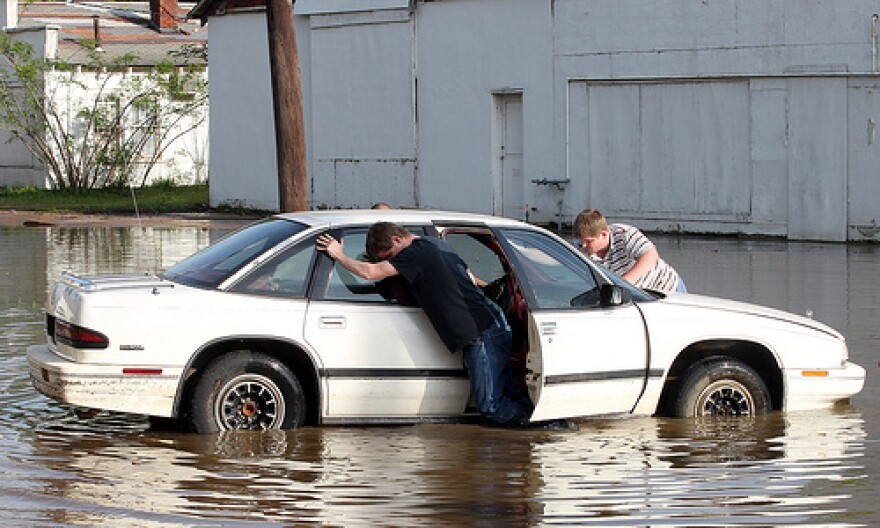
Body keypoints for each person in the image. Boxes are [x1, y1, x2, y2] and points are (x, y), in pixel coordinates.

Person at [317, 222, 533, 426]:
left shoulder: (415, 253)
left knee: (490, 407)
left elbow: (370, 273)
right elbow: (468, 275)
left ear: (396, 239)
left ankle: (541, 425)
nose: (395, 262)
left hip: (482, 331)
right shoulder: (436, 243)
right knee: (508, 393)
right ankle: (535, 428)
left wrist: (338, 255)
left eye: (391, 256)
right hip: (492, 322)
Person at [573, 209, 687, 293]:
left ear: (604, 234)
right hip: (639, 295)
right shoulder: (580, 249)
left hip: (667, 288)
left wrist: (622, 284)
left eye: (589, 241)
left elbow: (651, 255)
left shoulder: (624, 234)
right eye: (581, 241)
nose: (584, 245)